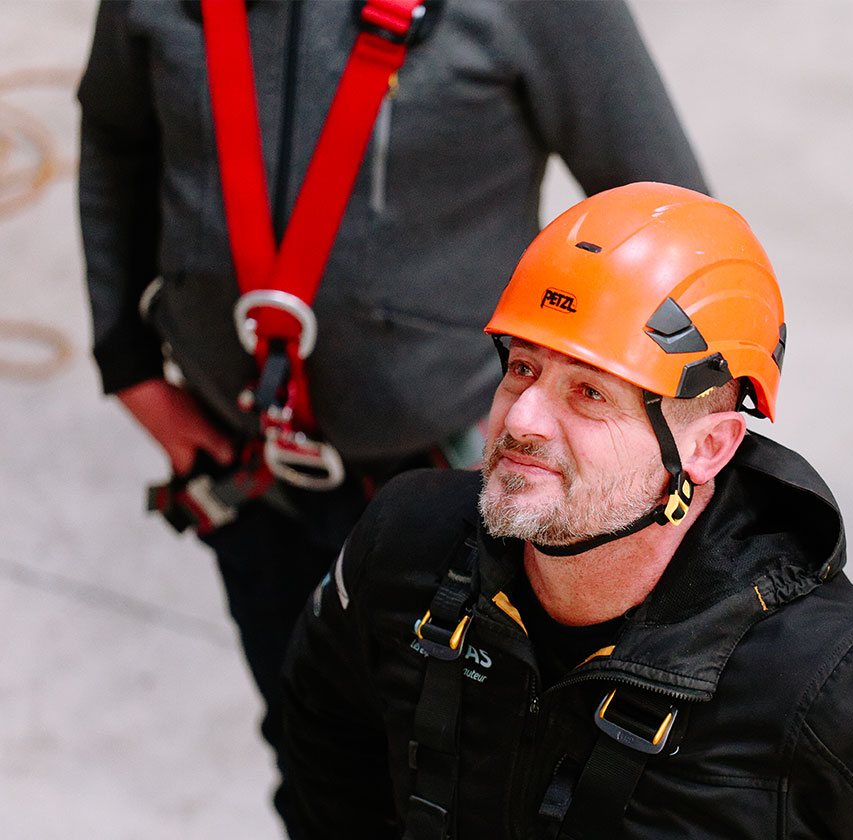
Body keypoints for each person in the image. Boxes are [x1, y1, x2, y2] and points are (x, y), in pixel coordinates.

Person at [279, 182, 853, 839]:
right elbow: (319, 734)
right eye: (522, 368)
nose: (523, 420)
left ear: (708, 447)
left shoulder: (836, 685)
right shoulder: (406, 549)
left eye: (588, 393)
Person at [76, 0, 707, 828]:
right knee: (315, 748)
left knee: (482, 786)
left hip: (470, 500)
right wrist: (130, 368)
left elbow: (671, 234)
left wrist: (582, 448)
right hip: (253, 481)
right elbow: (116, 137)